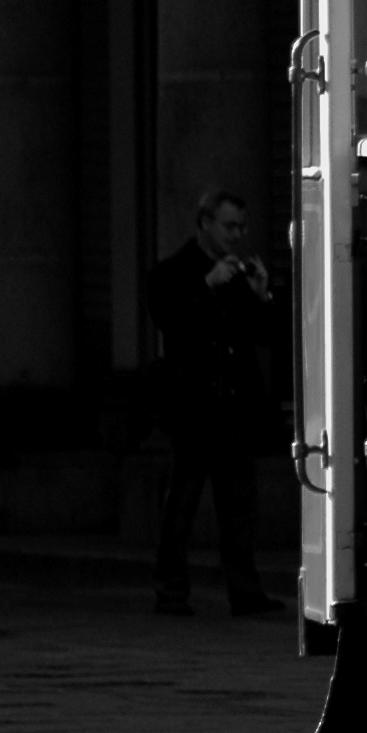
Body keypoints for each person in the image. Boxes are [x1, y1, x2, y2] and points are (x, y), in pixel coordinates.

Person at [147, 188, 285, 616]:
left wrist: (263, 296)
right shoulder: (172, 272)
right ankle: (171, 591)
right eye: (229, 226)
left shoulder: (240, 274)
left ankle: (245, 591)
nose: (237, 235)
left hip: (235, 410)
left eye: (241, 227)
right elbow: (171, 323)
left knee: (240, 508)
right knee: (181, 506)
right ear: (205, 223)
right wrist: (207, 288)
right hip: (192, 409)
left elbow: (267, 336)